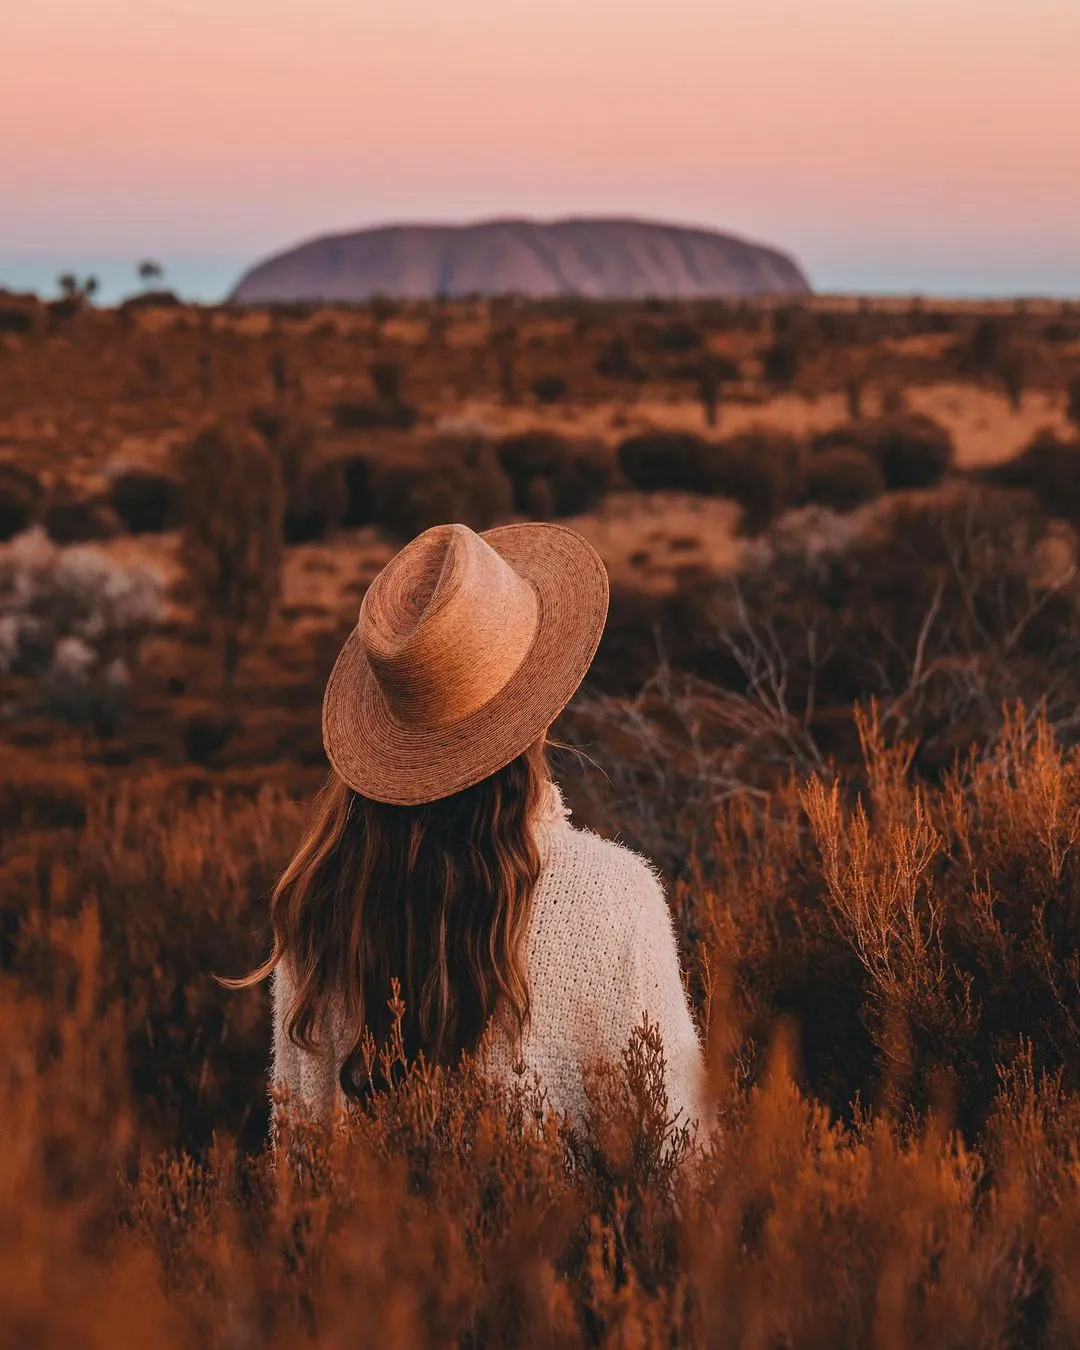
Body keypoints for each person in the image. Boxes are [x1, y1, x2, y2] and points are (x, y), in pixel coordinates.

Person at [228, 521, 708, 1138]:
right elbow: (683, 1157)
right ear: (533, 713)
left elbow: (298, 1171)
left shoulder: (320, 911)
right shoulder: (612, 897)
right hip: (581, 1238)